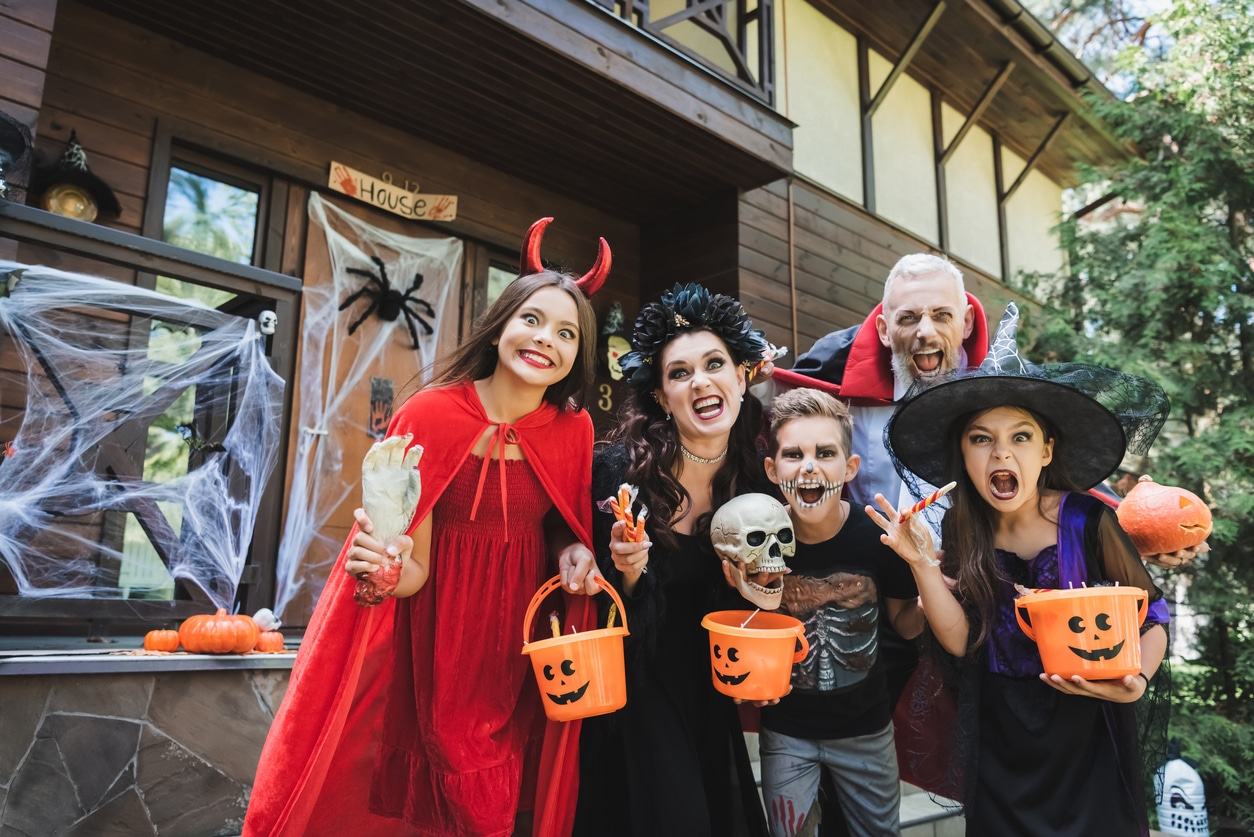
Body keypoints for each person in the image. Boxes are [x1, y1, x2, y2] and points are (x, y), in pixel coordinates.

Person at [243, 220, 609, 837]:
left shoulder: (574, 431)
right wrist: (383, 566)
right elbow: (414, 569)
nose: (546, 339)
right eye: (533, 320)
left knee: (509, 794)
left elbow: (561, 522)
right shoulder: (431, 413)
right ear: (500, 327)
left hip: (522, 647)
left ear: (580, 354)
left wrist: (575, 548)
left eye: (567, 332)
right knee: (452, 785)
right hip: (440, 643)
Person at [867, 303, 1171, 836]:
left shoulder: (1089, 521)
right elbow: (961, 642)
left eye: (1021, 437)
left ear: (1048, 449)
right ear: (963, 453)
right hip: (1000, 744)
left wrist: (1138, 679)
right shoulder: (966, 530)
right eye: (981, 438)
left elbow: (1153, 615)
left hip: (1087, 738)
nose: (1000, 453)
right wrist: (920, 564)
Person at [571, 283, 774, 837]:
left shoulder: (758, 482)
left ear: (742, 375)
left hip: (710, 688)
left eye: (715, 364)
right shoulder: (616, 475)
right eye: (679, 373)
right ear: (662, 397)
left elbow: (763, 598)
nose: (701, 381)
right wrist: (629, 571)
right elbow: (600, 597)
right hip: (634, 687)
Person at [758, 387, 922, 837]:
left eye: (825, 453)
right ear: (773, 470)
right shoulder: (758, 538)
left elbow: (904, 626)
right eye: (793, 454)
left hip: (867, 732)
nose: (809, 466)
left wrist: (932, 592)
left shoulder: (877, 538)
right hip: (787, 733)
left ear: (849, 468)